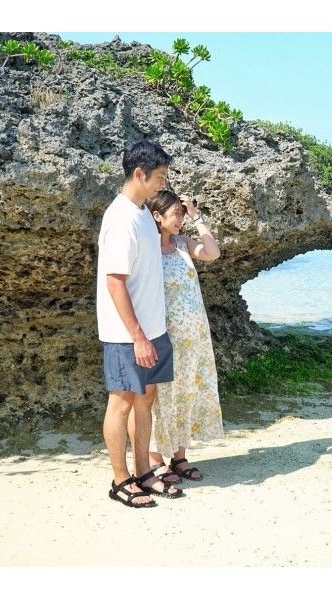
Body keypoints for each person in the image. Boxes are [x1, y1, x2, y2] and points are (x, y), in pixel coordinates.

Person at [96, 140, 183, 507]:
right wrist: (138, 337)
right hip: (127, 335)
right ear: (138, 174)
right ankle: (121, 480)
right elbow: (115, 281)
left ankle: (144, 472)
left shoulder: (144, 214)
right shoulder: (120, 219)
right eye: (159, 177)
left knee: (146, 400)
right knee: (122, 402)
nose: (163, 184)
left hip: (152, 330)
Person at [135, 188, 224, 484]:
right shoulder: (147, 249)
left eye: (182, 214)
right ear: (157, 216)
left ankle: (180, 456)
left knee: (186, 393)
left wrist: (197, 218)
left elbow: (213, 253)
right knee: (161, 396)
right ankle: (155, 458)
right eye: (176, 214)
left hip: (194, 335)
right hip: (164, 335)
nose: (180, 220)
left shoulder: (184, 243)